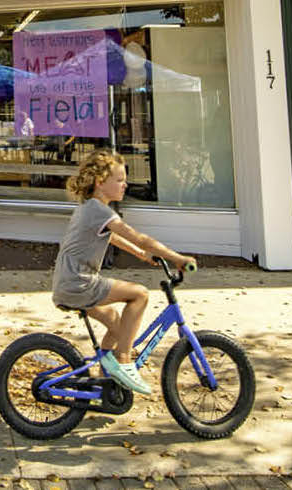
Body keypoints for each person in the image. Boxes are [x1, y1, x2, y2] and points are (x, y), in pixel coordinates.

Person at [52, 149, 197, 396]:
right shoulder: (100, 211)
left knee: (118, 325)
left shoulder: (90, 208)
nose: (125, 184)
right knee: (139, 294)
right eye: (119, 180)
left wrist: (142, 255)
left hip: (68, 282)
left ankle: (103, 379)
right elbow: (139, 237)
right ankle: (125, 361)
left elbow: (113, 238)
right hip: (80, 283)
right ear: (100, 182)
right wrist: (177, 258)